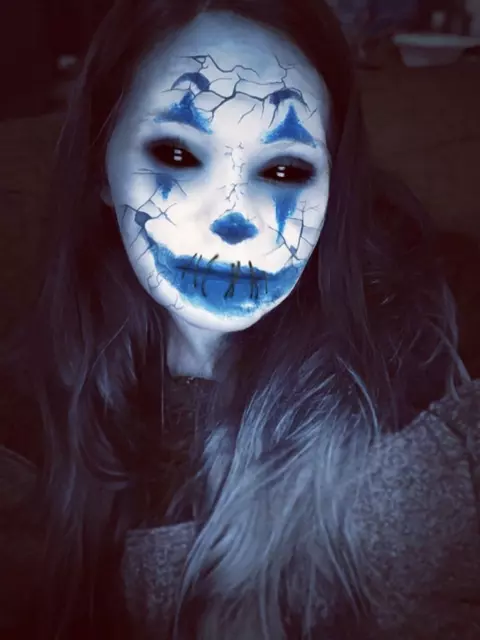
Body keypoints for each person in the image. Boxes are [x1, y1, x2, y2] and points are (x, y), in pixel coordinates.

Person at [0, 0, 479, 638]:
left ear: (334, 184)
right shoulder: (28, 420)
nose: (234, 219)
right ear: (99, 167)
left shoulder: (445, 342)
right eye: (176, 153)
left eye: (284, 168)